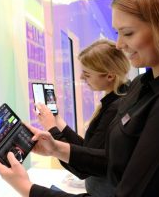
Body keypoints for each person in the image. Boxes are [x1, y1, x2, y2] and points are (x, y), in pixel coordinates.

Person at [0, 0, 159, 197]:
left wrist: (28, 189)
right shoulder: (143, 84)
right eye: (117, 33)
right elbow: (118, 161)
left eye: (127, 33)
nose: (119, 44)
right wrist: (56, 148)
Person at [35, 39, 130, 197]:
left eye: (86, 74)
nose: (80, 78)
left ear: (109, 76)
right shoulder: (118, 100)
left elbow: (84, 166)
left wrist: (52, 129)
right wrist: (58, 122)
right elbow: (89, 149)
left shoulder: (116, 108)